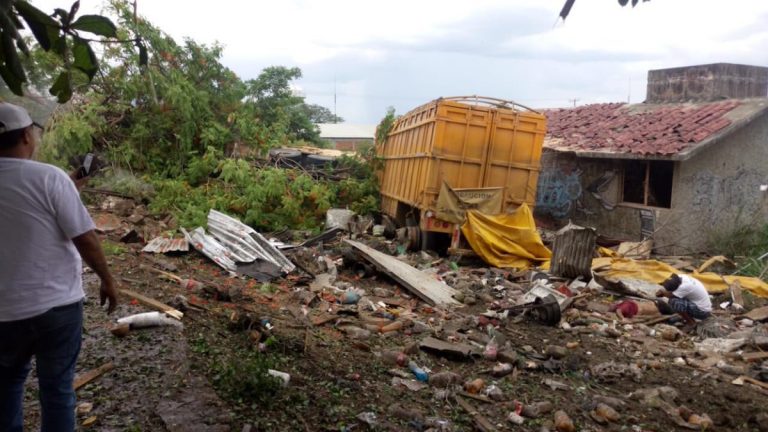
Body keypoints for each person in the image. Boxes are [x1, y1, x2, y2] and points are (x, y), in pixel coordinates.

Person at [0, 102, 118, 432]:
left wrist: (67, 187)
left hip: (3, 315)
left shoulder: (53, 180)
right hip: (56, 309)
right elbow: (86, 238)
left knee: (6, 388)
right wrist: (107, 280)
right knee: (57, 390)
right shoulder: (49, 177)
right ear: (26, 135)